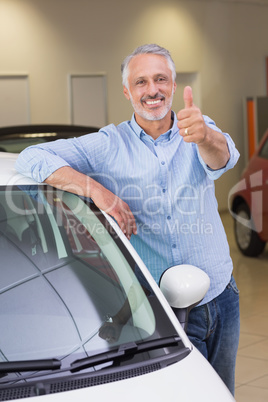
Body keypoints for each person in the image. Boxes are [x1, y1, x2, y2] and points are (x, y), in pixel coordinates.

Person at [15, 44, 240, 395]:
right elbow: (31, 157)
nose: (153, 90)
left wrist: (206, 135)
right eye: (141, 82)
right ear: (127, 91)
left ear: (174, 85)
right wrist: (98, 192)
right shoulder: (108, 145)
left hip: (222, 295)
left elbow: (223, 158)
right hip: (161, 312)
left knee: (223, 390)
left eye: (161, 79)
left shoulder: (197, 127)